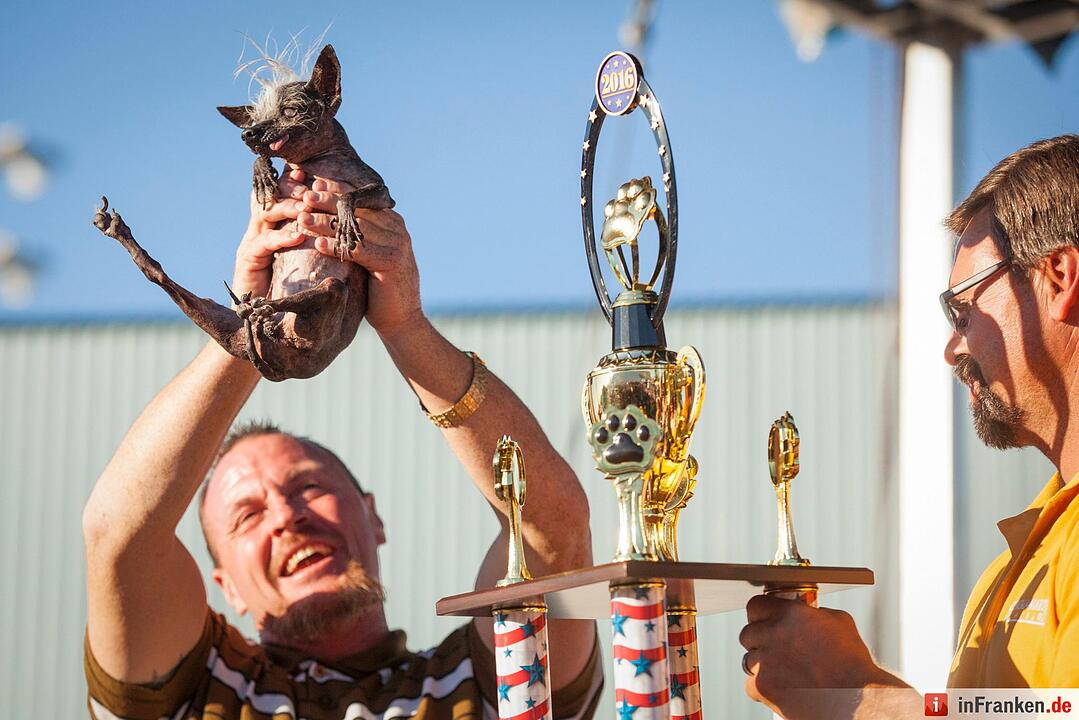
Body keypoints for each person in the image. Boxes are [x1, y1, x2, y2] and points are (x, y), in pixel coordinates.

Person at [82, 168, 602, 719]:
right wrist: (248, 330)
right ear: (224, 587)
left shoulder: (483, 685)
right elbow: (119, 537)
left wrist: (406, 327)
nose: (286, 517)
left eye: (308, 488)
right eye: (246, 517)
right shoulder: (200, 693)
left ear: (373, 518)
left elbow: (552, 525)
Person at [738, 134, 1079, 719]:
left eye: (963, 307)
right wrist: (853, 690)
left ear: (1059, 276)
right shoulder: (1016, 562)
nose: (952, 347)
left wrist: (857, 694)